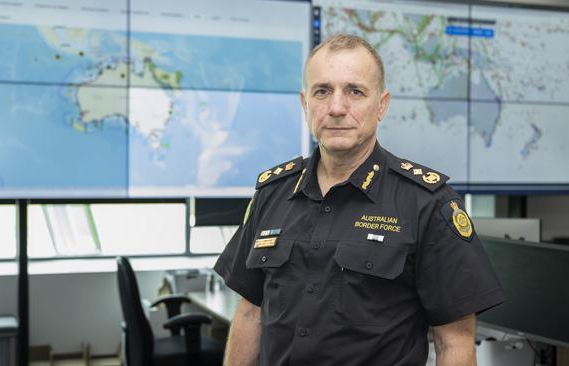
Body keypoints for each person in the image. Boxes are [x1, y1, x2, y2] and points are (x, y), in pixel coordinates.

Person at [213, 34, 505, 366]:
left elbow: (455, 343)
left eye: (355, 91)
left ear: (382, 105)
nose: (337, 108)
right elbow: (251, 314)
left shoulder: (427, 204)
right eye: (322, 91)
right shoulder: (272, 193)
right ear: (304, 103)